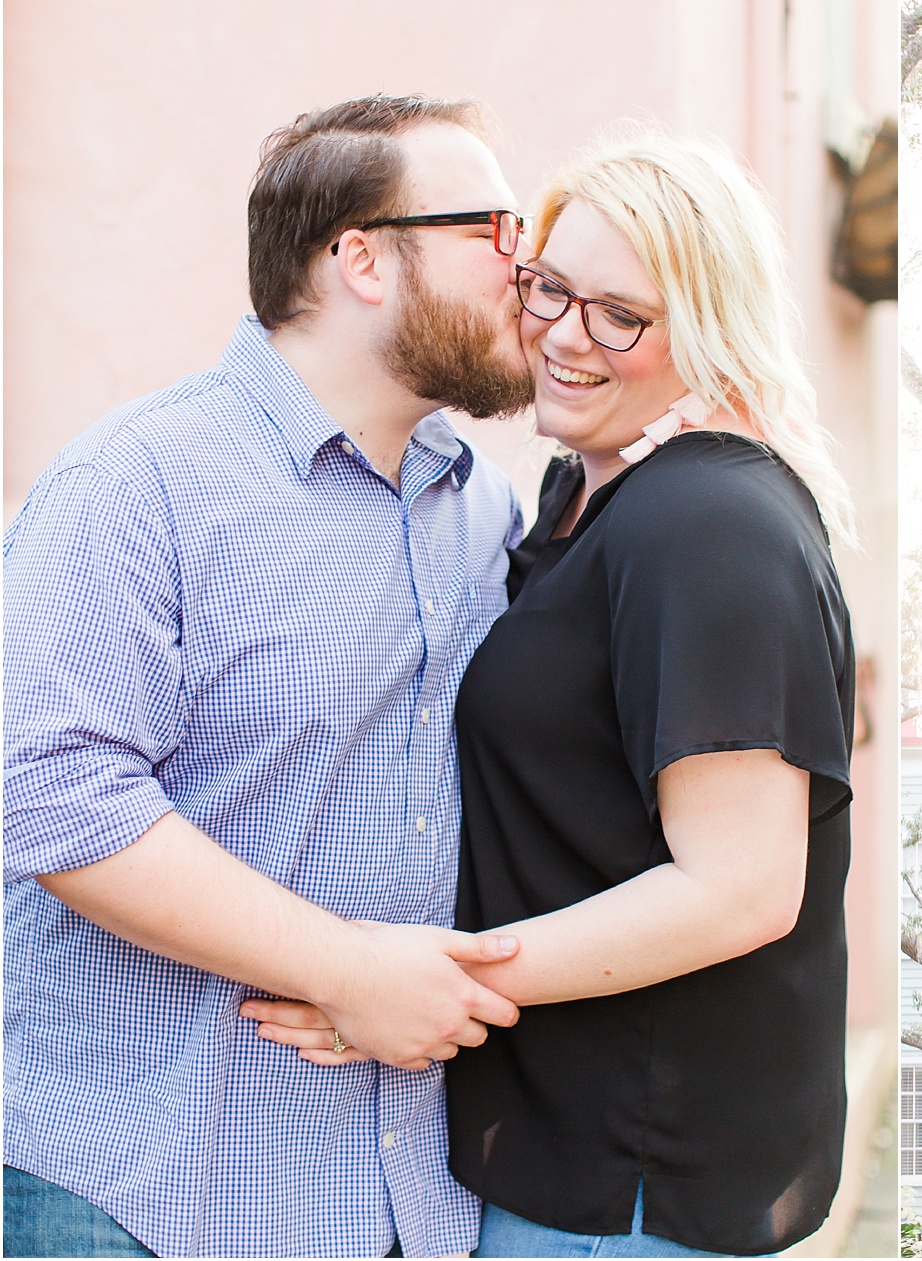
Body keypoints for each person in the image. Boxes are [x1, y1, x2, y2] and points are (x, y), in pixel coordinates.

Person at [246, 131, 860, 1259]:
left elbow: (740, 889)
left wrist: (428, 985)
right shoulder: (581, 491)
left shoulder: (710, 525)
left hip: (629, 1189)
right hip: (557, 1155)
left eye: (622, 314)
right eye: (551, 289)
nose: (567, 337)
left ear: (711, 328)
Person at [3, 94, 540, 1259]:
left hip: (403, 1198)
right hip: (143, 1193)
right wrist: (347, 967)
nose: (525, 263)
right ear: (360, 257)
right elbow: (57, 805)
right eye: (491, 229)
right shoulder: (133, 484)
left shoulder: (480, 502)